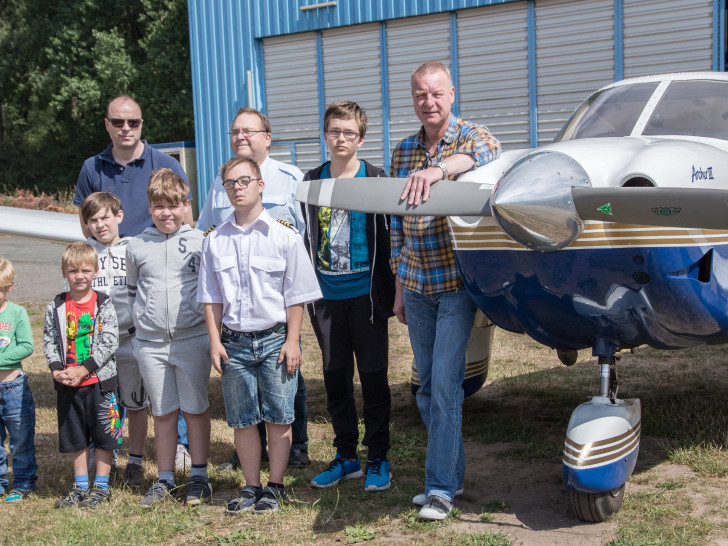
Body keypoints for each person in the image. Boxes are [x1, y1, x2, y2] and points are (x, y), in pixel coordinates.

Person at [390, 61, 500, 521]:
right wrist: (398, 287)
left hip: (457, 285)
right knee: (427, 387)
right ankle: (449, 478)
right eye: (420, 95)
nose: (428, 103)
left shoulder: (472, 136)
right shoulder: (401, 151)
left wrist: (437, 170)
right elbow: (396, 224)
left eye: (436, 93)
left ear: (452, 93)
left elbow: (487, 153)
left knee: (446, 387)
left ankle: (438, 489)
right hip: (415, 285)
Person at [198, 157, 321, 513]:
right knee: (242, 418)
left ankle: (276, 485)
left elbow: (295, 293)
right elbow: (210, 297)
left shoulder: (284, 236)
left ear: (261, 185)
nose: (238, 188)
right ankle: (251, 486)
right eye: (230, 183)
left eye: (244, 180)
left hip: (274, 340)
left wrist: (293, 340)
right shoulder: (215, 241)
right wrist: (215, 341)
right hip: (233, 343)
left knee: (279, 416)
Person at [75, 94, 192, 468]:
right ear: (107, 124)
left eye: (134, 123)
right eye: (118, 122)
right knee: (117, 381)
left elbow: (184, 212)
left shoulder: (164, 163)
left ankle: (179, 445)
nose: (126, 129)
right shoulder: (92, 167)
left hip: (157, 272)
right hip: (116, 280)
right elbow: (85, 218)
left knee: (165, 368)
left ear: (142, 124)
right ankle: (113, 449)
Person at [303, 102, 395, 492]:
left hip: (366, 297)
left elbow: (392, 237)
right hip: (326, 298)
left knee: (374, 380)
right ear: (324, 133)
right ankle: (346, 457)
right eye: (334, 131)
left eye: (349, 132)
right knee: (336, 379)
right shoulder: (311, 180)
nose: (341, 138)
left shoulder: (375, 178)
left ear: (361, 137)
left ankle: (378, 458)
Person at [125, 169, 212, 507]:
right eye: (159, 206)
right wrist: (142, 329)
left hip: (192, 339)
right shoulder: (136, 245)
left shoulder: (200, 242)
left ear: (185, 205)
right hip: (151, 344)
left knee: (195, 408)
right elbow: (133, 292)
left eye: (173, 205)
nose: (166, 213)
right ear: (149, 208)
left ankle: (200, 476)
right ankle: (164, 479)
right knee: (162, 411)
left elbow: (209, 289)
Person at [43, 242, 122, 508]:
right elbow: (50, 340)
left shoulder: (104, 303)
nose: (79, 276)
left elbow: (110, 341)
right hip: (68, 385)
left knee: (104, 434)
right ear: (63, 272)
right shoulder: (56, 305)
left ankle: (101, 486)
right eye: (73, 270)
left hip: (100, 383)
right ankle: (79, 486)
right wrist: (57, 370)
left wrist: (84, 368)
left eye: (85, 270)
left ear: (96, 271)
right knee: (75, 436)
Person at [81, 192, 148, 488]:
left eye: (105, 217)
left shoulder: (133, 249)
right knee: (104, 402)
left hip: (130, 338)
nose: (100, 225)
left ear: (119, 216)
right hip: (98, 347)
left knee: (135, 403)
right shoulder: (84, 255)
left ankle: (136, 459)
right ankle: (108, 456)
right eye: (93, 220)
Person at [0, 257, 37, 502]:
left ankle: (23, 482)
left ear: (9, 287)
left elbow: (26, 346)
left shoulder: (17, 313)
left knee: (21, 439)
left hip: (13, 388)